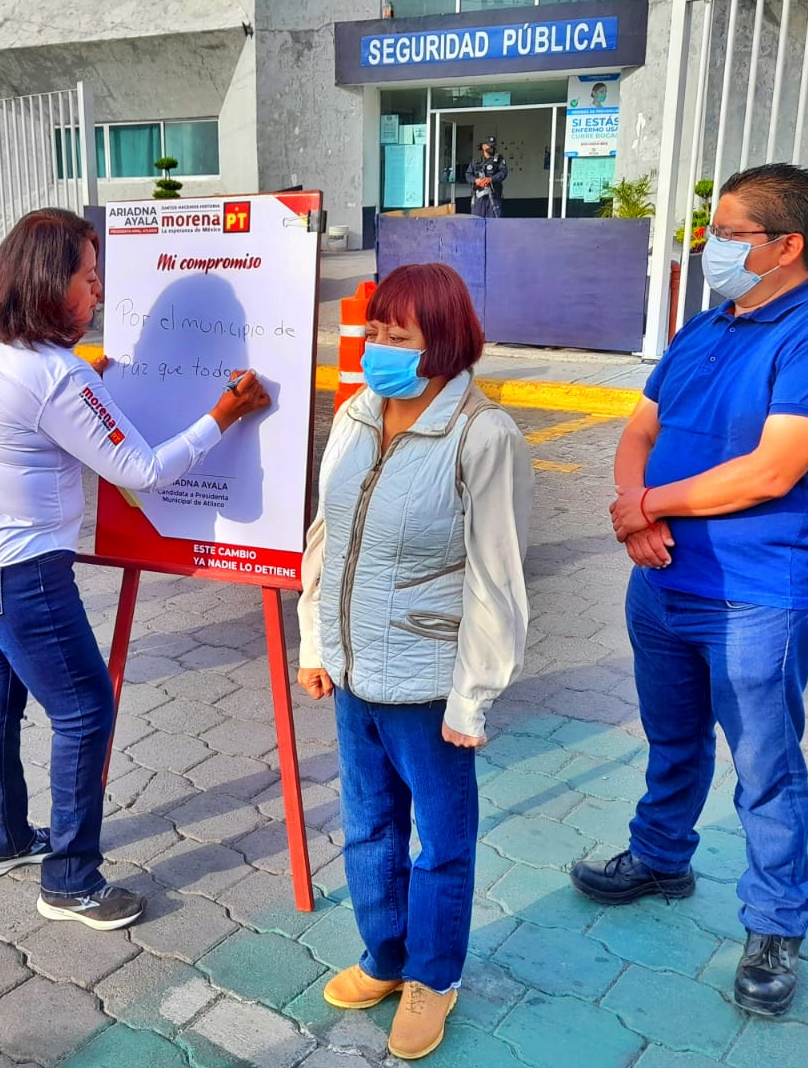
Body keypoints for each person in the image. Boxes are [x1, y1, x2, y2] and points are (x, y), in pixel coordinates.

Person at [570, 163, 808, 1018]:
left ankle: (776, 926)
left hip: (757, 596)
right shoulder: (702, 327)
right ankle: (661, 856)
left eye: (731, 233)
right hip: (664, 581)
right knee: (671, 740)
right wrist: (638, 516)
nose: (713, 247)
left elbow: (770, 472)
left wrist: (643, 505)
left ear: (789, 246)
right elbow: (641, 426)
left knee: (765, 768)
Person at [0, 207, 270, 932]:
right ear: (49, 284)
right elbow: (140, 469)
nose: (99, 292)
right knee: (83, 712)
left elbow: (32, 418)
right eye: (87, 277)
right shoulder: (54, 378)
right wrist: (224, 414)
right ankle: (72, 881)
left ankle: (1, 839)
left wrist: (82, 378)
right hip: (19, 573)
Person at [296, 261, 532, 1060]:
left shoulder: (482, 434)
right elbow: (328, 534)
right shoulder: (361, 412)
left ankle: (434, 976)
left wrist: (473, 700)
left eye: (398, 336)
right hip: (354, 676)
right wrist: (315, 641)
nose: (377, 347)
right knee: (366, 827)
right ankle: (386, 958)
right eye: (373, 330)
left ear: (443, 341)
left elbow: (497, 577)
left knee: (439, 839)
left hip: (429, 688)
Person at [467, 137, 506, 218]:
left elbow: (503, 172)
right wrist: (476, 181)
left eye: (493, 146)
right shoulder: (476, 161)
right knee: (477, 221)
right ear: (483, 146)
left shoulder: (499, 160)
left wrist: (491, 179)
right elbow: (468, 174)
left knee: (494, 222)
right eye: (489, 146)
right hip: (479, 197)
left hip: (493, 196)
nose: (491, 148)